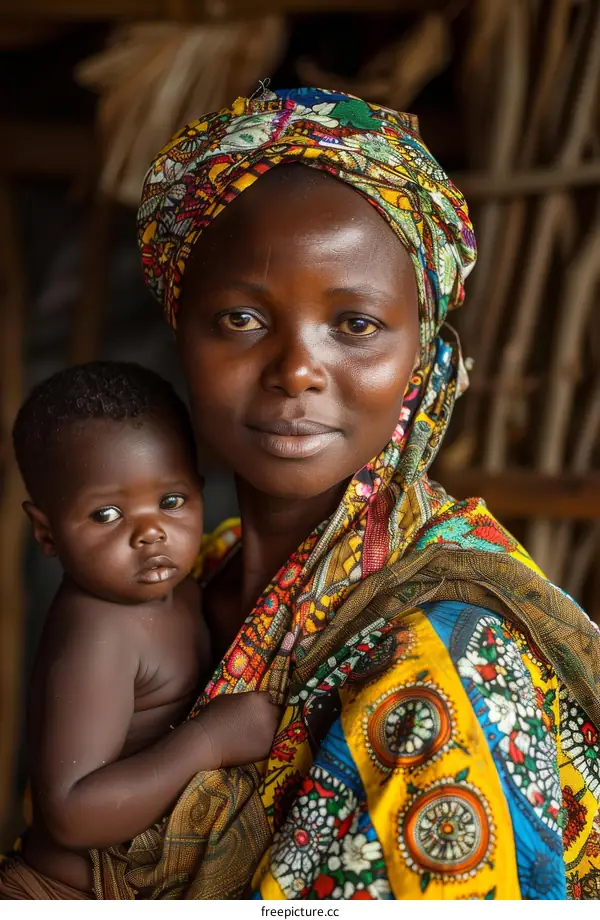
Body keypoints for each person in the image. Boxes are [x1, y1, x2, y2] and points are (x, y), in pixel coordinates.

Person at [0, 361, 279, 900]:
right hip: (61, 893)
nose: (150, 532)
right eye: (106, 514)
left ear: (200, 493)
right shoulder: (99, 633)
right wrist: (207, 742)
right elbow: (71, 814)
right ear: (46, 531)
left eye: (171, 502)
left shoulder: (189, 586)